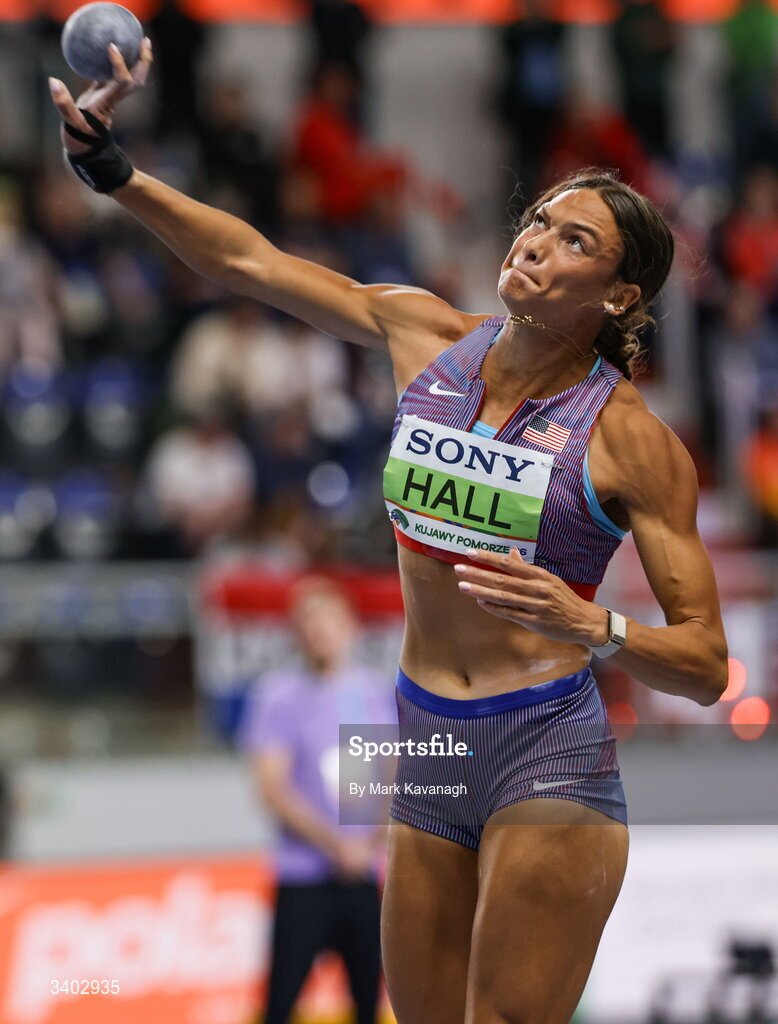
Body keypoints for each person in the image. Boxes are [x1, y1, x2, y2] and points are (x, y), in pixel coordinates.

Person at [48, 45, 729, 1024]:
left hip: (543, 742)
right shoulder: (424, 334)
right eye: (537, 221)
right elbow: (246, 261)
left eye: (574, 241)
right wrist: (114, 171)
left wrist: (598, 631)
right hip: (418, 739)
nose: (535, 242)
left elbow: (706, 664)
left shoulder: (632, 443)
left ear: (619, 295)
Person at [237, 576, 393, 1024]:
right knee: (281, 1002)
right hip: (304, 877)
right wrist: (335, 844)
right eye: (308, 622)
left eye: (327, 620)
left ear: (349, 626)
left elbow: (384, 779)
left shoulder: (367, 693)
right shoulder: (279, 696)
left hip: (362, 876)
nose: (319, 632)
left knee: (370, 1001)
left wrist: (367, 844)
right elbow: (272, 787)